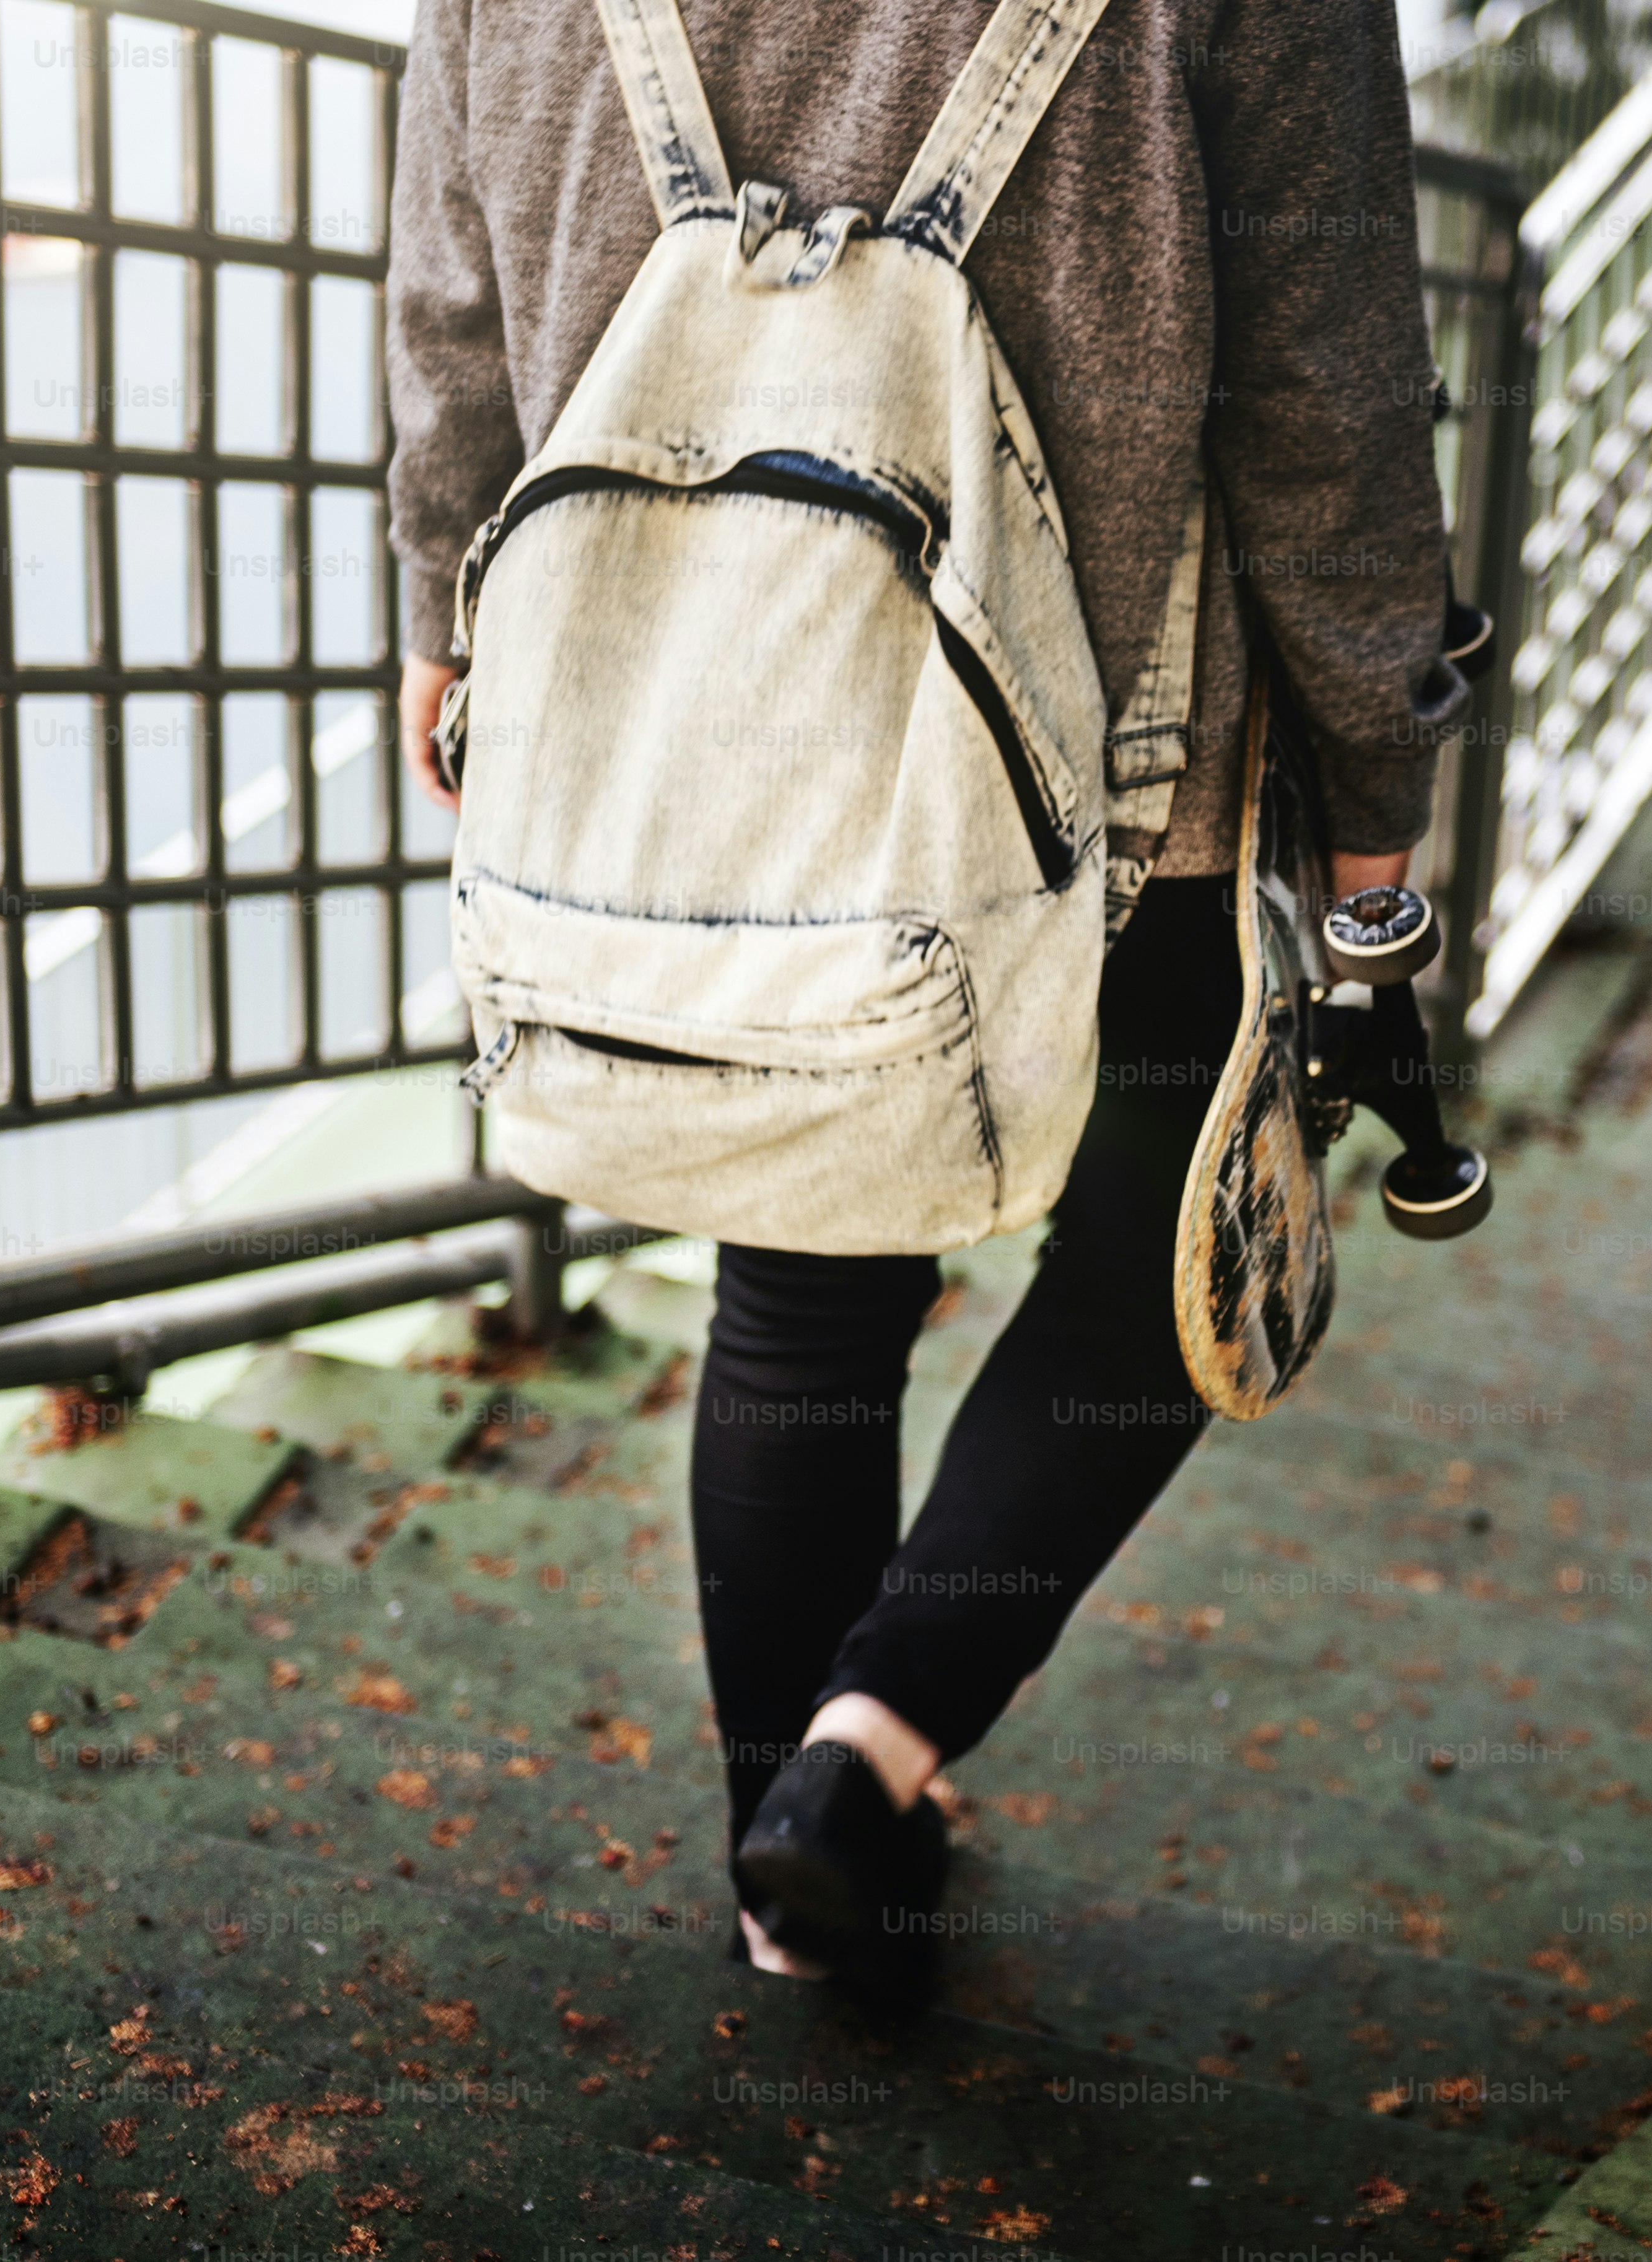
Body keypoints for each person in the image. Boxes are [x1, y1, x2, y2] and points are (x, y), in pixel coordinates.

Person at [387, 0, 1469, 1994]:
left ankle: (791, 1894)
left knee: (803, 1279)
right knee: (1162, 1252)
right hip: (1107, 746)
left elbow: (454, 277)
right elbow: (1327, 383)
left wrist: (444, 589)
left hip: (696, 708)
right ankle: (865, 1744)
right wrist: (1374, 784)